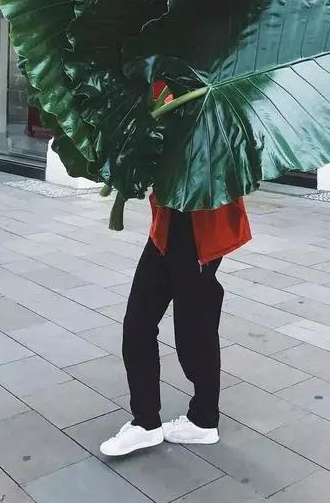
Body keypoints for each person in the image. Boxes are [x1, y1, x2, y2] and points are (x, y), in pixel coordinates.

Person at [100, 181, 251, 457]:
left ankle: (204, 420)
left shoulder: (221, 137)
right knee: (137, 323)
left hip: (200, 230)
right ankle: (146, 423)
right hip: (166, 224)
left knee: (194, 330)